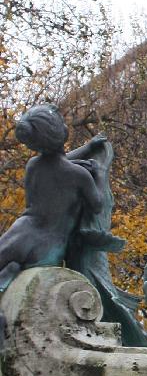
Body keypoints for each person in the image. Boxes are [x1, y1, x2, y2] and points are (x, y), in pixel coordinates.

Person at [0, 106, 105, 293]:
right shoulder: (79, 175)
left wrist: (87, 148)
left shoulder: (33, 166)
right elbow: (97, 205)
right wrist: (99, 174)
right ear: (62, 132)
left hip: (22, 231)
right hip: (47, 249)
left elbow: (56, 164)